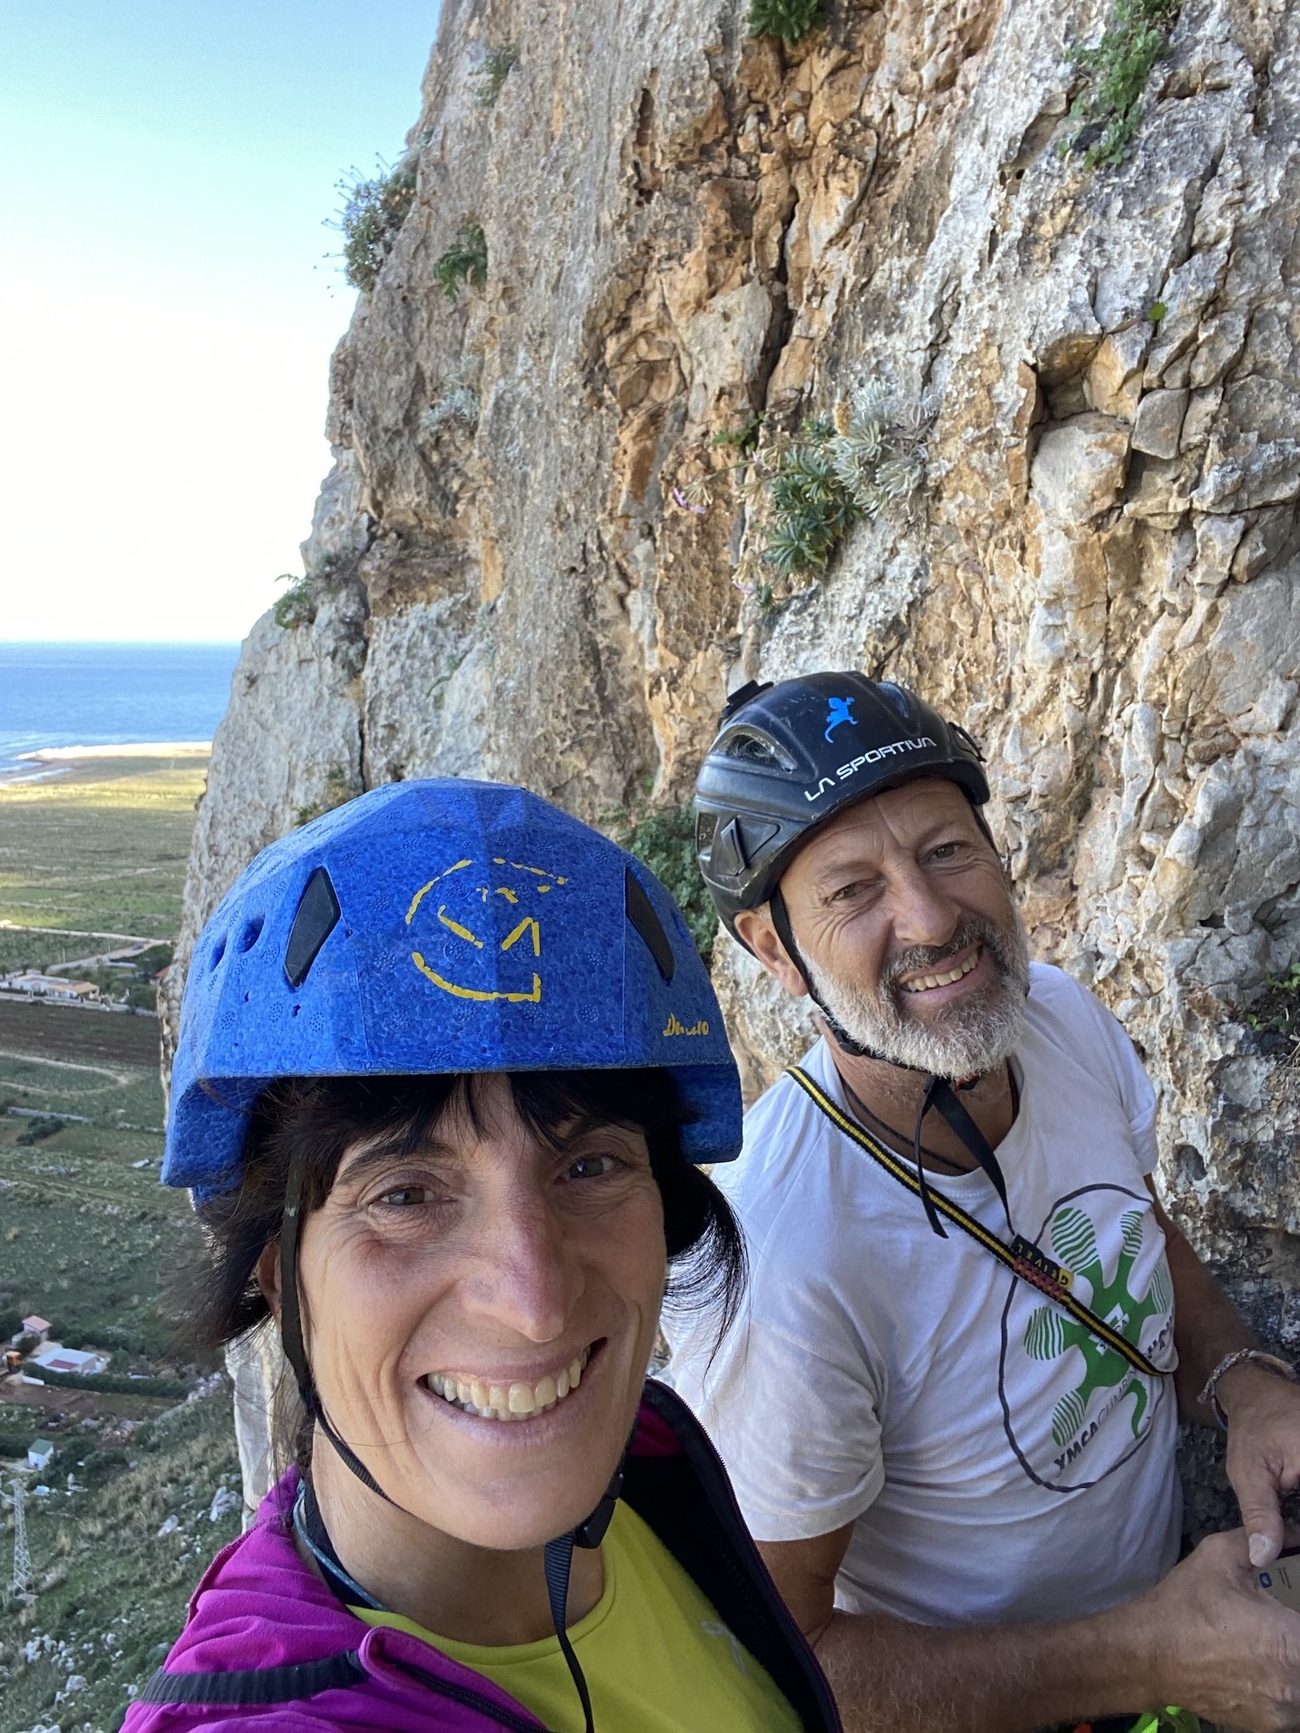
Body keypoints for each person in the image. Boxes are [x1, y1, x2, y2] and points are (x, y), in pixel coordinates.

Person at [125, 778, 840, 1733]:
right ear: (275, 1274)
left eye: (589, 1164)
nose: (535, 1301)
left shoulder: (650, 1462)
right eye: (406, 1195)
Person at [667, 673, 1300, 1733]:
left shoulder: (1056, 1019)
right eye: (852, 889)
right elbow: (784, 1664)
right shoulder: (779, 1260)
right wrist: (1144, 1654)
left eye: (946, 849)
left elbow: (1131, 1229)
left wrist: (1244, 1382)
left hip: (1173, 1635)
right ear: (773, 948)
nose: (927, 916)